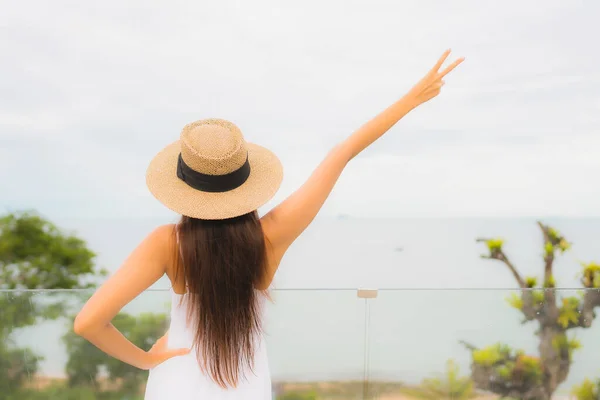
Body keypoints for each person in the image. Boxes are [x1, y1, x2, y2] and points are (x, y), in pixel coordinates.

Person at [74, 49, 464, 399]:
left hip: (175, 381)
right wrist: (412, 100)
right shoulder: (272, 234)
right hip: (244, 383)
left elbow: (89, 322)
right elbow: (341, 153)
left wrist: (146, 360)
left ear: (183, 188)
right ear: (244, 181)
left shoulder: (167, 243)